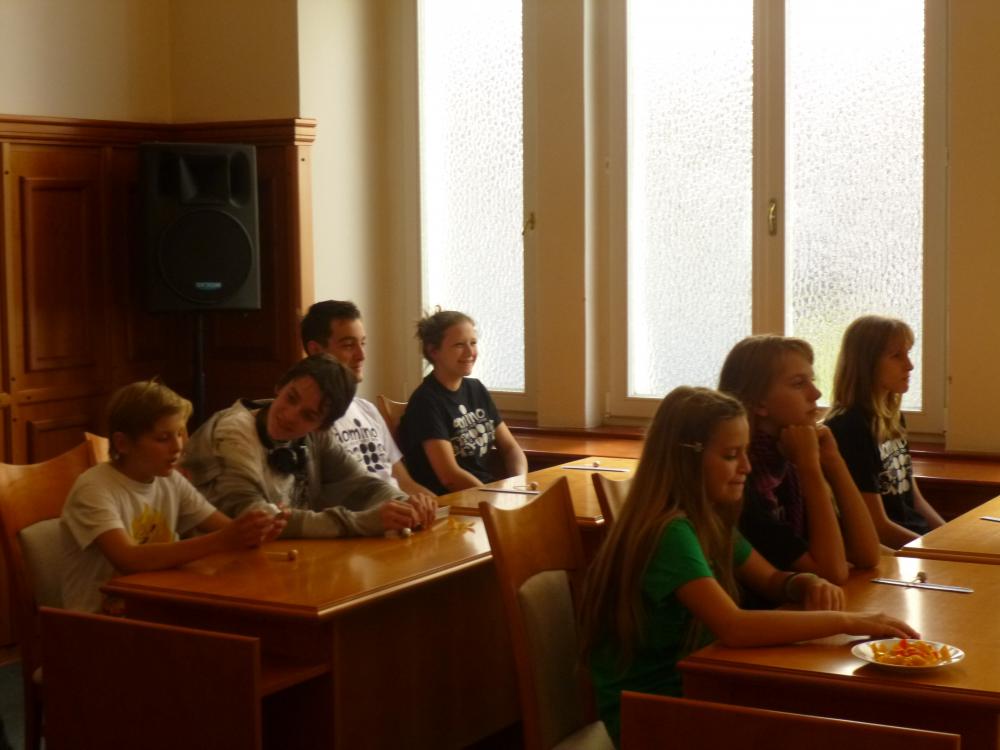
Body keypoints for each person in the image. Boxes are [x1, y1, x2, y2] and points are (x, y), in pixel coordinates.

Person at [577, 386, 917, 745]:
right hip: (654, 719)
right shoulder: (668, 532)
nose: (747, 467)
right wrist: (850, 621)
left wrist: (802, 583)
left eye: (745, 452)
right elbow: (734, 627)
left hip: (695, 695)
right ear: (686, 459)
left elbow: (769, 579)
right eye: (731, 455)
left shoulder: (708, 520)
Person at [60, 380, 285, 613]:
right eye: (163, 438)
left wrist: (256, 532)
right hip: (99, 620)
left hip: (156, 605)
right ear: (123, 443)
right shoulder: (94, 487)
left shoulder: (169, 479)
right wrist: (223, 539)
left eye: (179, 433)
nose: (178, 447)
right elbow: (128, 559)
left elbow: (225, 529)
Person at [183, 354, 436, 537]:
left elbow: (362, 487)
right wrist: (363, 523)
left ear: (322, 427)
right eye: (291, 398)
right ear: (280, 386)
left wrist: (404, 505)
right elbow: (255, 519)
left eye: (308, 415)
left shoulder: (316, 437)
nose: (290, 415)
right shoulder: (232, 434)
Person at [718, 336, 880, 586]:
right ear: (759, 403)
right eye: (798, 384)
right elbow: (831, 573)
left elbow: (866, 554)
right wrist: (809, 468)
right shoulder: (742, 478)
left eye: (812, 381)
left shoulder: (787, 457)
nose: (816, 393)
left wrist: (834, 461)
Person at [826, 315, 944, 547]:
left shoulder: (893, 417)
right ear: (867, 364)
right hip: (891, 549)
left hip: (916, 539)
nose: (909, 365)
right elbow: (877, 526)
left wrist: (948, 537)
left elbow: (915, 500)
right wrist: (934, 550)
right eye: (896, 356)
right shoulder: (849, 427)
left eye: (908, 353)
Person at [300, 300, 435, 500]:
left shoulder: (367, 410)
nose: (361, 355)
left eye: (362, 343)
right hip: (369, 514)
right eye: (348, 345)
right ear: (316, 350)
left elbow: (404, 482)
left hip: (401, 506)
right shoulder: (308, 421)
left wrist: (439, 507)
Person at [398, 310, 527, 495]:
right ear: (433, 351)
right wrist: (492, 498)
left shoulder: (476, 389)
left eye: (473, 343)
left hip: (485, 493)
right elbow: (449, 477)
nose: (470, 352)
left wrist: (519, 485)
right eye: (459, 345)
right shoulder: (425, 402)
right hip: (453, 501)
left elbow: (510, 448)